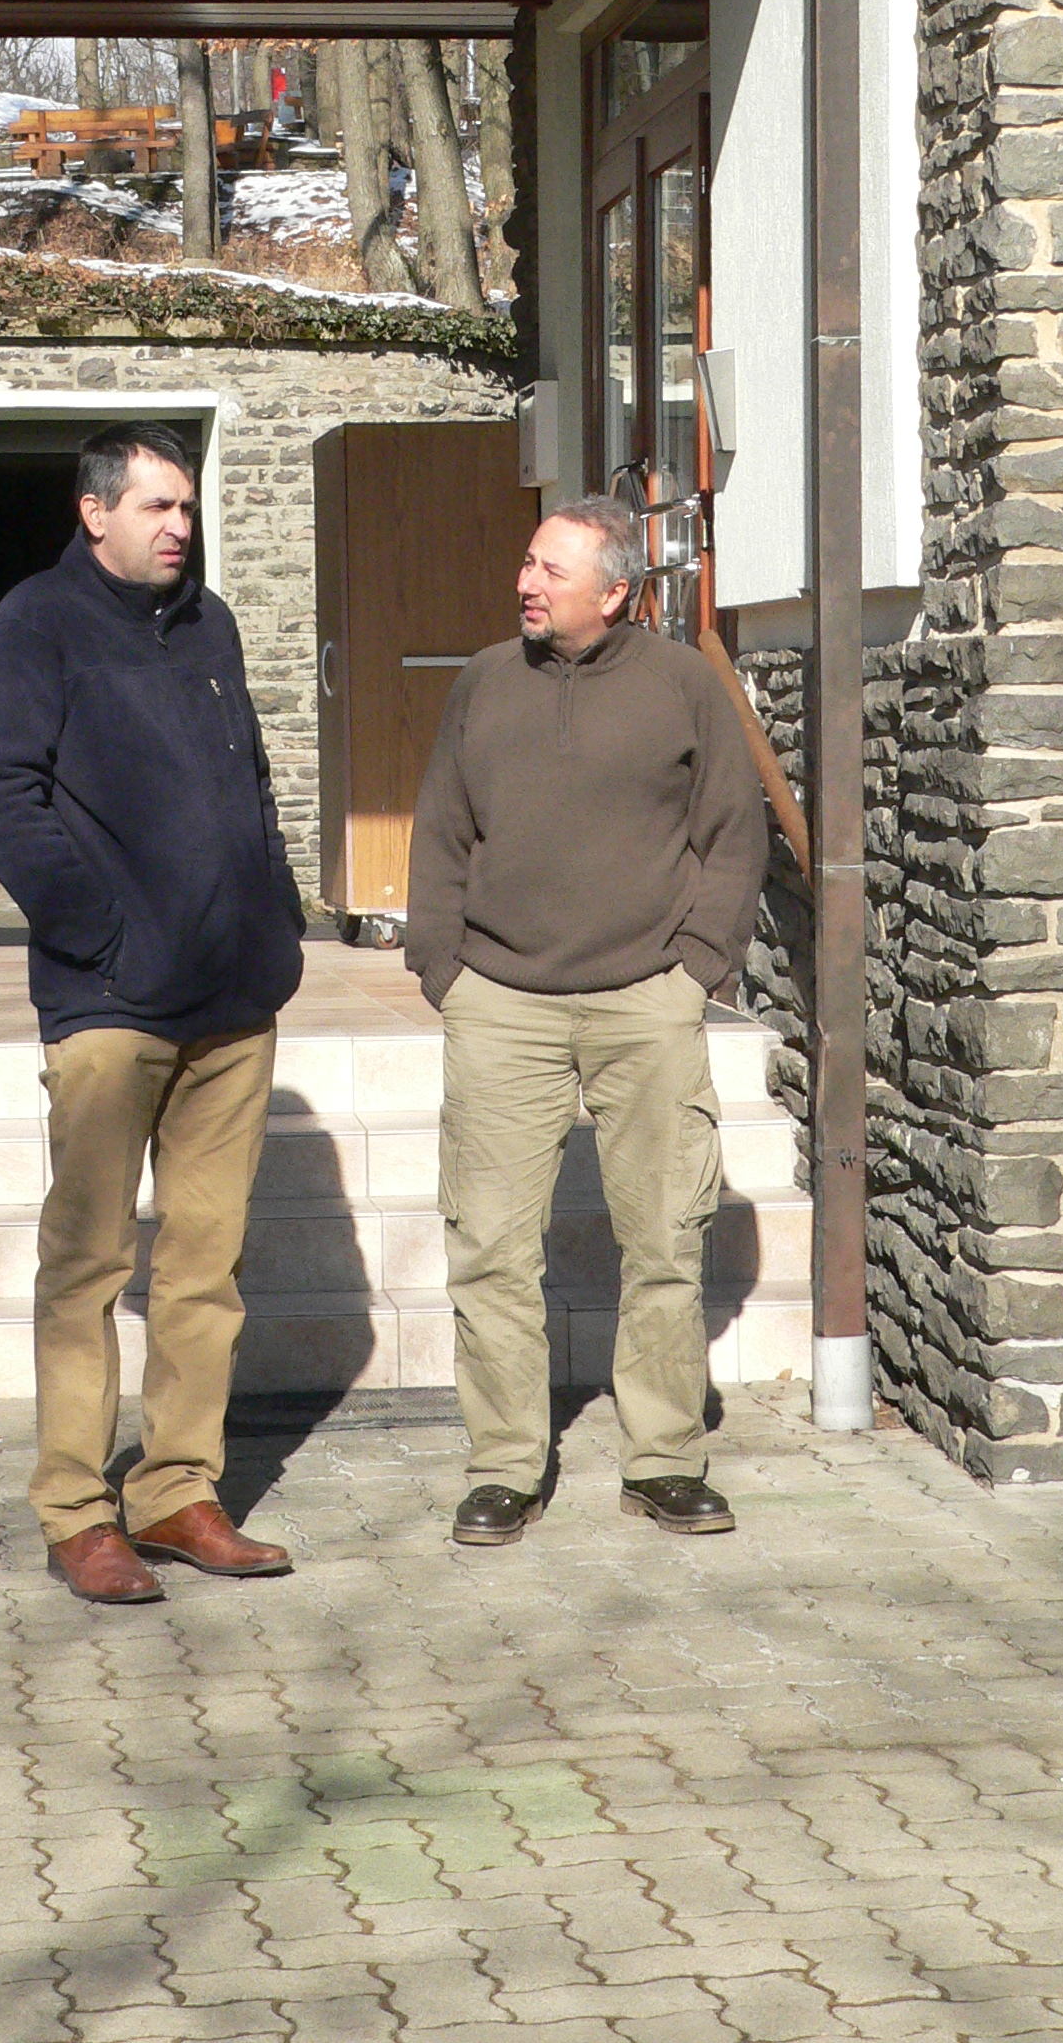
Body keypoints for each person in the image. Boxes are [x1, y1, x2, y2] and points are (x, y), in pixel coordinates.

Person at [0, 423, 306, 1606]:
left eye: (187, 507)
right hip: (111, 1005)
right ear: (94, 511)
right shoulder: (36, 625)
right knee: (88, 1265)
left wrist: (275, 917)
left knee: (206, 1267)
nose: (179, 526)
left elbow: (250, 778)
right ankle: (75, 1507)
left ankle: (177, 1491)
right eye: (157, 506)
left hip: (233, 1006)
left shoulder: (211, 624)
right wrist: (98, 931)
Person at [406, 496, 767, 1543]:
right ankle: (505, 1467)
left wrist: (696, 969)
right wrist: (444, 966)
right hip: (499, 1001)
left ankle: (663, 1460)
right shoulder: (483, 681)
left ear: (615, 592)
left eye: (550, 571)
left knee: (663, 1237)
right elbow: (441, 829)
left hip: (646, 997)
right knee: (489, 1245)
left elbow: (733, 829)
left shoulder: (683, 684)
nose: (526, 583)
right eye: (528, 563)